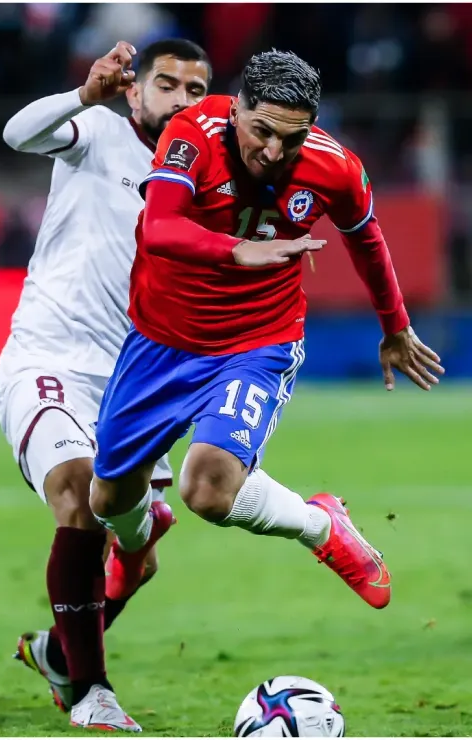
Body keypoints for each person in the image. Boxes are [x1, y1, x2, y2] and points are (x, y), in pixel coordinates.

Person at [89, 50, 443, 620]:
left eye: (292, 139)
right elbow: (159, 227)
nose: (274, 152)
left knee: (206, 489)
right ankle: (136, 545)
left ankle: (321, 526)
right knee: (107, 497)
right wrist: (237, 248)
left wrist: (396, 326)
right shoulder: (192, 132)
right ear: (237, 110)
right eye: (262, 132)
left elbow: (366, 238)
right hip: (160, 341)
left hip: (258, 341)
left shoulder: (335, 167)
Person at [0, 39, 210, 731]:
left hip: (135, 385)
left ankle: (59, 651)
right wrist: (84, 94)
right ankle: (91, 692)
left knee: (137, 560)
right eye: (167, 84)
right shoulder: (99, 133)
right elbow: (17, 132)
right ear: (134, 91)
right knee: (79, 493)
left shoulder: (208, 180)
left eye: (195, 90)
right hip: (49, 359)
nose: (180, 99)